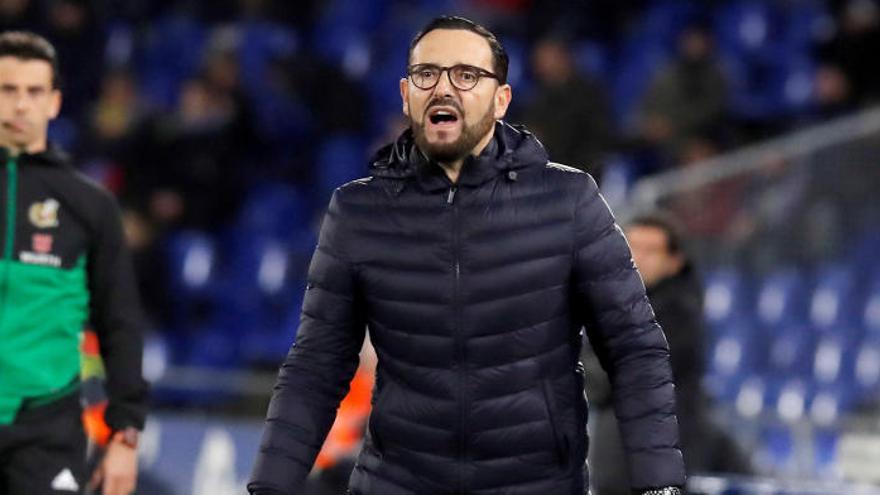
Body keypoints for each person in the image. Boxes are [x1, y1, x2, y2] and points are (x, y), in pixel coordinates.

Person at [248, 16, 685, 495]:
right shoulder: (359, 211)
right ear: (405, 94)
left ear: (502, 100)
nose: (442, 88)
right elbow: (316, 365)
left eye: (466, 75)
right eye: (426, 74)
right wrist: (272, 486)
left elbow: (634, 350)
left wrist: (659, 485)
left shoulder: (570, 200)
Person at [0, 31, 148, 495]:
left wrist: (125, 433)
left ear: (55, 102)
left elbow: (119, 321)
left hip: (46, 431)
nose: (21, 105)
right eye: (7, 90)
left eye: (34, 91)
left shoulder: (90, 207)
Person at [587, 213, 751, 494]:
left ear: (674, 262)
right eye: (630, 246)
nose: (637, 257)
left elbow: (610, 378)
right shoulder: (610, 308)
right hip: (614, 464)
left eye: (651, 250)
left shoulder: (679, 316)